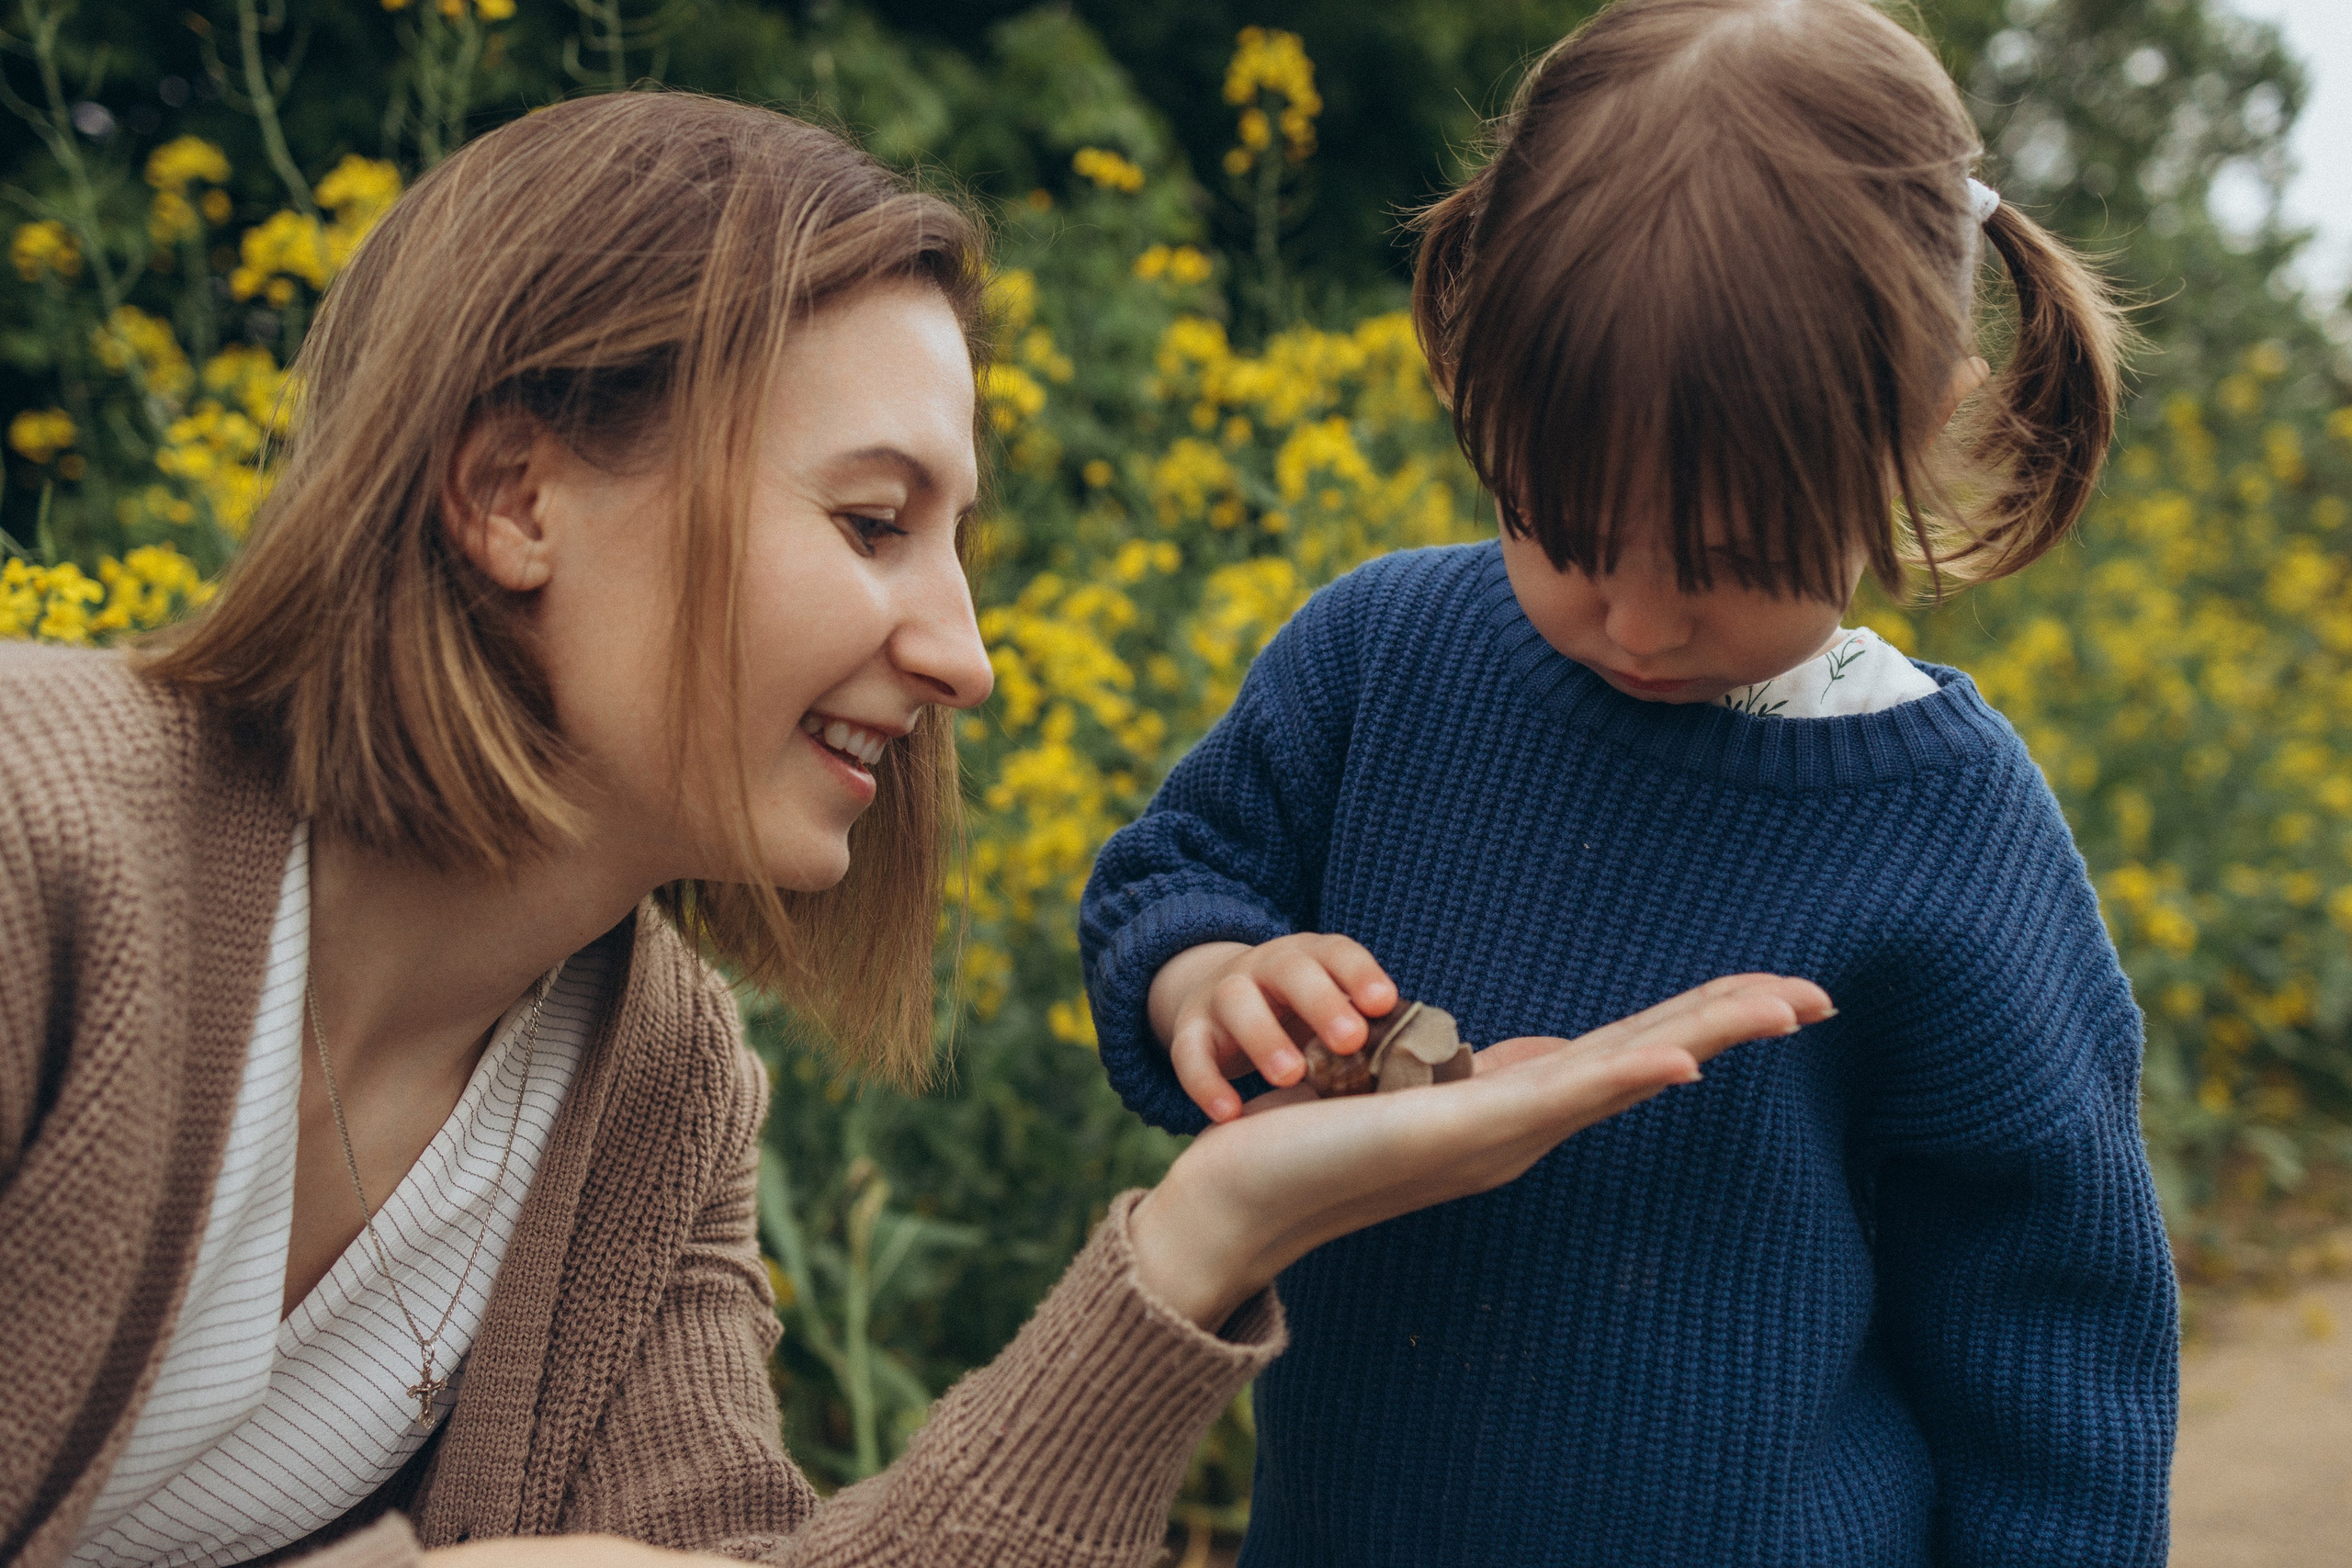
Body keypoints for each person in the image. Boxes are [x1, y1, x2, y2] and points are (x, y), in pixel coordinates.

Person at [0, 91, 1831, 1568]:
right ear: (514, 494)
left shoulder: (652, 1086)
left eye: (956, 542)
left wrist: (1203, 1239)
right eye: (873, 522)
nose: (963, 655)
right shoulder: (38, 846)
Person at [1080, 1, 2178, 1564]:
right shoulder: (1380, 656)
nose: (1642, 623)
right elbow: (1171, 874)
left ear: (1912, 434)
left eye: (1734, 561)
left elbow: (2052, 1325)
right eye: (1567, 533)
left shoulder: (1950, 824)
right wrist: (1212, 981)